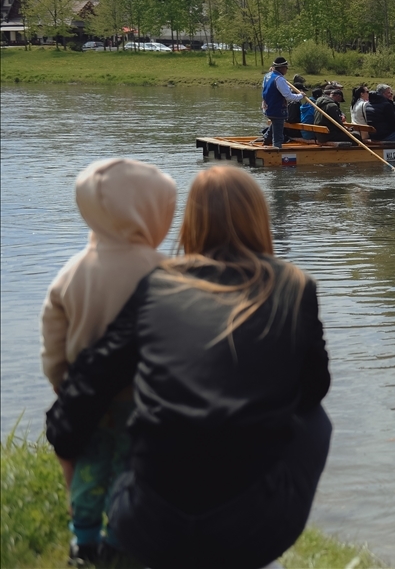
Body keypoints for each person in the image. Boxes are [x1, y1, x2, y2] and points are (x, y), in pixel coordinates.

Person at [46, 166, 332, 569]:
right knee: (316, 419)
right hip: (253, 530)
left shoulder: (161, 282)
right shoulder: (294, 285)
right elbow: (314, 389)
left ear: (190, 220)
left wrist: (66, 442)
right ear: (260, 216)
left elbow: (94, 375)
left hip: (148, 523)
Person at [40, 158, 176, 565]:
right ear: (152, 212)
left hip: (86, 396)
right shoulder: (164, 270)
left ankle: (83, 540)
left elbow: (53, 342)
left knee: (88, 467)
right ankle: (120, 540)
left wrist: (62, 386)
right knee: (131, 471)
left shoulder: (71, 272)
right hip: (145, 397)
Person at [262, 57, 305, 149]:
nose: (287, 70)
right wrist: (300, 95)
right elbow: (289, 97)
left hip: (268, 107)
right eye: (286, 67)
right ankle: (276, 151)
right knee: (278, 136)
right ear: (281, 68)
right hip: (277, 108)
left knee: (275, 124)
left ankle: (266, 139)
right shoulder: (279, 79)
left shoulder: (267, 76)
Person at [285, 75, 308, 140]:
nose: (305, 93)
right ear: (300, 90)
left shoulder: (288, 98)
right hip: (293, 131)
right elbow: (292, 119)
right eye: (304, 91)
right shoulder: (294, 103)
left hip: (289, 128)